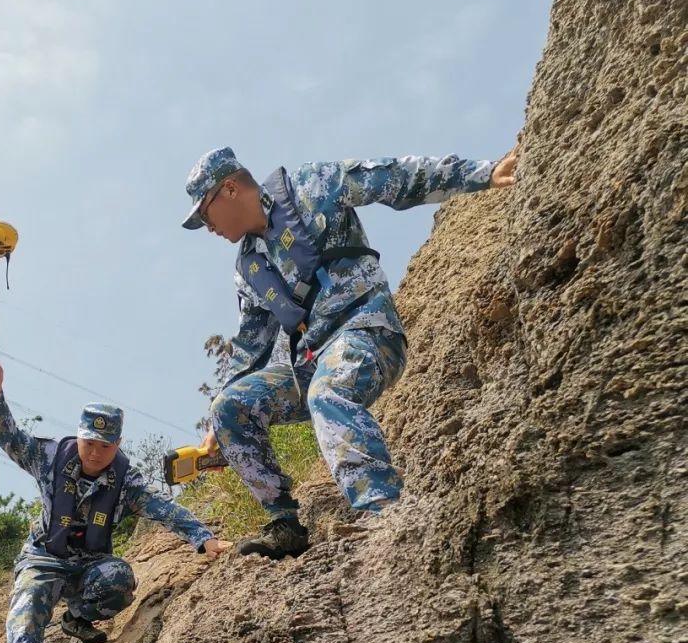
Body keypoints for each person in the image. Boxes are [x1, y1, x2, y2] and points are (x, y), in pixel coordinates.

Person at [181, 144, 518, 557]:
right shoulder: (248, 267)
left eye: (205, 212)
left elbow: (397, 177)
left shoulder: (311, 186)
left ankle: (384, 512)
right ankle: (285, 524)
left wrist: (485, 173)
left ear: (229, 189)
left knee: (328, 390)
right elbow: (251, 343)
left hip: (367, 331)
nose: (207, 226)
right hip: (313, 357)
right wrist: (220, 414)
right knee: (229, 406)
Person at [0, 359, 232, 643]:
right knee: (29, 598)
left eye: (106, 446)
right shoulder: (49, 457)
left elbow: (163, 508)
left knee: (119, 579)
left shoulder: (126, 481)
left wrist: (204, 539)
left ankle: (76, 618)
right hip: (44, 557)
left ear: (119, 443)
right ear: (79, 435)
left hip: (89, 565)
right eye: (90, 443)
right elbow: (7, 435)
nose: (96, 453)